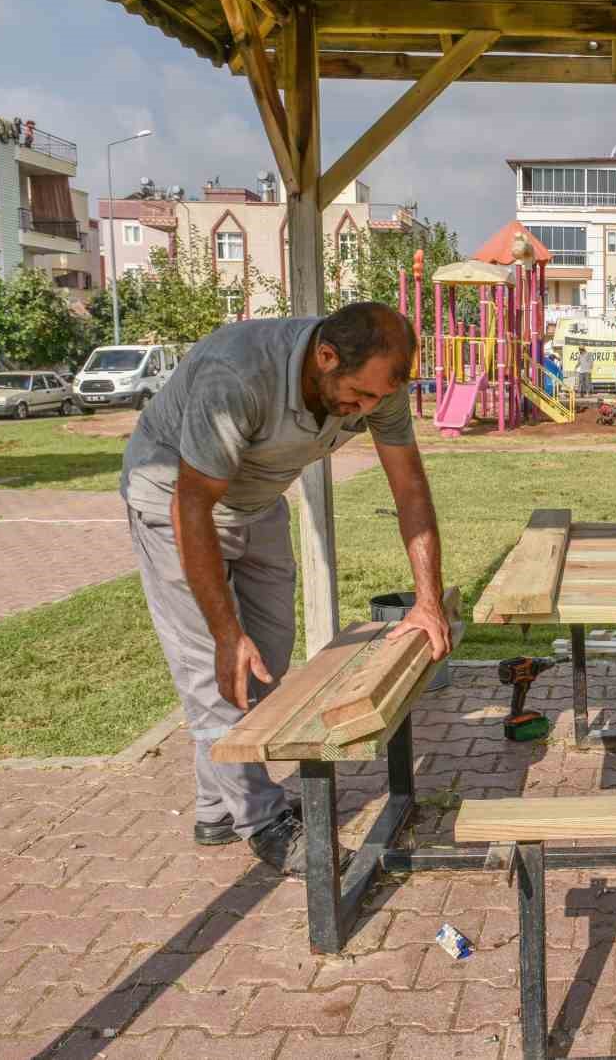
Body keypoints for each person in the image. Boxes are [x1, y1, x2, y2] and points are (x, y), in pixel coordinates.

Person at [120, 302, 452, 877]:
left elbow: (410, 488)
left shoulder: (380, 382)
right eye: (357, 395)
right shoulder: (238, 376)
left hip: (256, 502)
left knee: (266, 663)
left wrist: (427, 601)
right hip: (174, 501)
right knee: (218, 669)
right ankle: (262, 821)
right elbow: (191, 507)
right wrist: (226, 632)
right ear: (325, 357)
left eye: (377, 399)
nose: (367, 410)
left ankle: (215, 809)